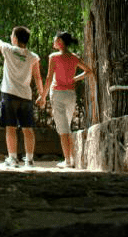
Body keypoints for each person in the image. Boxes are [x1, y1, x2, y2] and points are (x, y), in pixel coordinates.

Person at [0, 21, 44, 168]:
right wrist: (42, 95)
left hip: (9, 94)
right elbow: (38, 77)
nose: (10, 37)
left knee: (10, 127)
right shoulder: (33, 57)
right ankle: (30, 160)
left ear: (15, 38)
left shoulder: (8, 49)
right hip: (26, 97)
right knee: (28, 128)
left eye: (11, 35)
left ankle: (13, 159)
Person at [39, 30, 93, 168]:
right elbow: (89, 71)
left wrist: (43, 96)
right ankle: (70, 159)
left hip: (57, 94)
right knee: (66, 127)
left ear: (60, 43)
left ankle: (68, 161)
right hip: (70, 94)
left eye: (55, 40)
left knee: (63, 129)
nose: (53, 42)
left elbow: (49, 78)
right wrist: (75, 78)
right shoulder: (74, 57)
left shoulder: (54, 57)